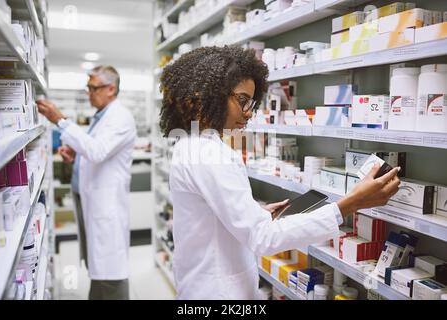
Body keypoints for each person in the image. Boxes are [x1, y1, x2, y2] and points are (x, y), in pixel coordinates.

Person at [159, 46, 401, 300]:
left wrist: (254, 214)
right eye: (242, 100)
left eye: (251, 103)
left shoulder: (192, 143)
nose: (249, 112)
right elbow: (263, 238)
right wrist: (351, 204)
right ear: (208, 94)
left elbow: (209, 215)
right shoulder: (208, 154)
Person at [36, 65, 136, 300]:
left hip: (106, 205)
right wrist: (76, 155)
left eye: (93, 87)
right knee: (98, 266)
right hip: (90, 200)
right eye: (88, 87)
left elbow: (98, 150)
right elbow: (94, 150)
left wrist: (60, 120)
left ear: (111, 89)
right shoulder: (101, 117)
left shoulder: (120, 116)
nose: (89, 92)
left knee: (110, 269)